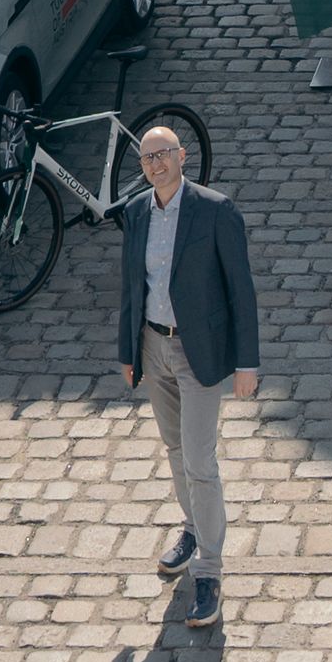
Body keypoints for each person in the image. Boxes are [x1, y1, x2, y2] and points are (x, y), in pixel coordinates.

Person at [117, 122, 256, 631]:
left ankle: (209, 573)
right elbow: (132, 286)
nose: (156, 164)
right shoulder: (136, 213)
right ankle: (193, 527)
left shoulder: (216, 211)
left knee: (200, 460)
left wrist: (247, 363)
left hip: (199, 351)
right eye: (147, 158)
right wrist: (127, 350)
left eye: (164, 155)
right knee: (175, 452)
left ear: (182, 157)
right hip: (152, 347)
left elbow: (241, 291)